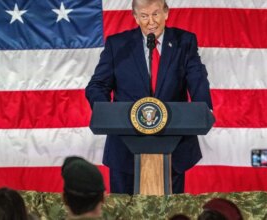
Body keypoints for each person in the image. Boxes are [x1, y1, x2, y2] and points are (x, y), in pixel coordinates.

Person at [85, 0, 213, 194]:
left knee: (171, 212)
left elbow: (197, 79)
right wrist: (107, 113)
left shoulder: (184, 42)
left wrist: (205, 109)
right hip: (125, 147)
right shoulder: (117, 45)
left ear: (166, 13)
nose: (151, 21)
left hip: (172, 145)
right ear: (135, 17)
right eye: (144, 16)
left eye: (156, 14)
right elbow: (98, 85)